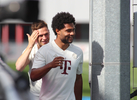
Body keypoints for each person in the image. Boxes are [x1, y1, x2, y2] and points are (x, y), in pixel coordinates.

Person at [30, 12, 83, 100]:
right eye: (68, 30)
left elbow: (78, 79)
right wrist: (50, 65)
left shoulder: (78, 52)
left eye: (73, 30)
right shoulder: (44, 50)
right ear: (57, 30)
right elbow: (33, 76)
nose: (72, 33)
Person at [15, 20, 50, 99]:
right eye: (40, 35)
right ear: (34, 36)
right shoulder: (31, 50)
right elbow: (19, 67)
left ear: (49, 32)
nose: (44, 38)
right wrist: (30, 45)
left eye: (46, 34)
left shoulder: (56, 50)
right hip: (36, 96)